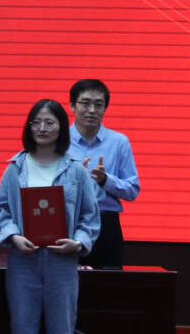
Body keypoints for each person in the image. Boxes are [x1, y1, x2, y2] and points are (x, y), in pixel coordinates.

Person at [0, 99, 100, 334]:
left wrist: (77, 242)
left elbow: (90, 217)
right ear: (29, 127)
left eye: (49, 123)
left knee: (62, 328)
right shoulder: (15, 168)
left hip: (62, 261)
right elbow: (1, 211)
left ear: (61, 127)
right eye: (36, 122)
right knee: (22, 327)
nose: (42, 128)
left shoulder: (76, 170)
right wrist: (14, 237)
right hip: (23, 260)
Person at [67, 79, 139, 269]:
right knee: (65, 282)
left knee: (108, 284)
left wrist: (105, 180)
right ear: (72, 105)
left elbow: (132, 190)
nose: (92, 110)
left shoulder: (119, 142)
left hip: (105, 225)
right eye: (85, 103)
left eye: (98, 104)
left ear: (105, 108)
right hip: (67, 222)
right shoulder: (59, 141)